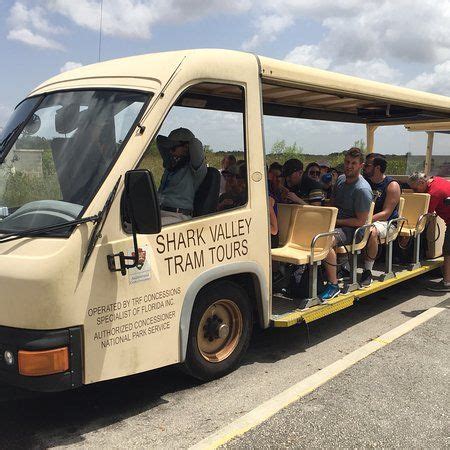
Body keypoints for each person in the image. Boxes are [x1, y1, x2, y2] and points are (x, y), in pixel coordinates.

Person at [319, 147, 373, 301]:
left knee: (326, 239)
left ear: (361, 166)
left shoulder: (362, 189)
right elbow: (333, 203)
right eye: (347, 162)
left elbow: (361, 221)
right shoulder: (341, 179)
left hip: (353, 229)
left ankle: (333, 285)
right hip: (336, 224)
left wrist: (336, 221)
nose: (349, 166)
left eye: (353, 163)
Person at [361, 153, 401, 287]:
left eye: (367, 165)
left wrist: (365, 220)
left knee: (371, 231)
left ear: (377, 168)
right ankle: (344, 267)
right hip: (366, 218)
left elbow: (386, 213)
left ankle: (367, 270)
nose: (364, 167)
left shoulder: (392, 185)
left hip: (386, 223)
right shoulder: (364, 182)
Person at [408, 172, 450, 292]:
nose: (415, 192)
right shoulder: (436, 180)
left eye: (415, 188)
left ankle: (447, 283)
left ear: (422, 182)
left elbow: (424, 216)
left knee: (447, 251)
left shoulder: (433, 194)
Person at [157, 127, 207, 225]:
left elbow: (195, 144)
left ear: (187, 147)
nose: (170, 151)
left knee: (148, 228)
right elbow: (159, 140)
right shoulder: (171, 167)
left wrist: (188, 142)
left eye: (173, 147)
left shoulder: (195, 168)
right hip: (160, 212)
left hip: (178, 216)